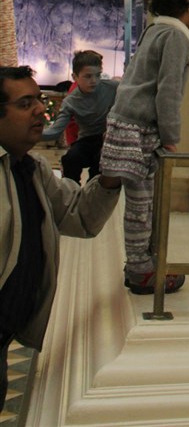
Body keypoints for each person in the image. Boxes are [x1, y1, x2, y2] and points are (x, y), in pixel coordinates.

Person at [0, 65, 121, 410]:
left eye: (38, 100)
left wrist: (112, 173)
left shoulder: (32, 169)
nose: (40, 109)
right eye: (25, 104)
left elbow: (81, 216)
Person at [101, 0, 189, 296]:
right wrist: (170, 136)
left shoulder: (156, 29)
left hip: (124, 123)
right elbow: (168, 92)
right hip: (139, 131)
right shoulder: (176, 37)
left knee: (142, 202)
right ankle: (141, 270)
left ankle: (143, 264)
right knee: (143, 205)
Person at [41, 50, 119, 183]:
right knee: (70, 159)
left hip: (109, 138)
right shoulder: (71, 102)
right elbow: (55, 130)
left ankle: (95, 192)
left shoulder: (113, 88)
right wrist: (31, 133)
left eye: (98, 75)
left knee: (101, 161)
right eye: (88, 76)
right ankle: (70, 191)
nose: (94, 81)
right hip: (86, 139)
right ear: (75, 77)